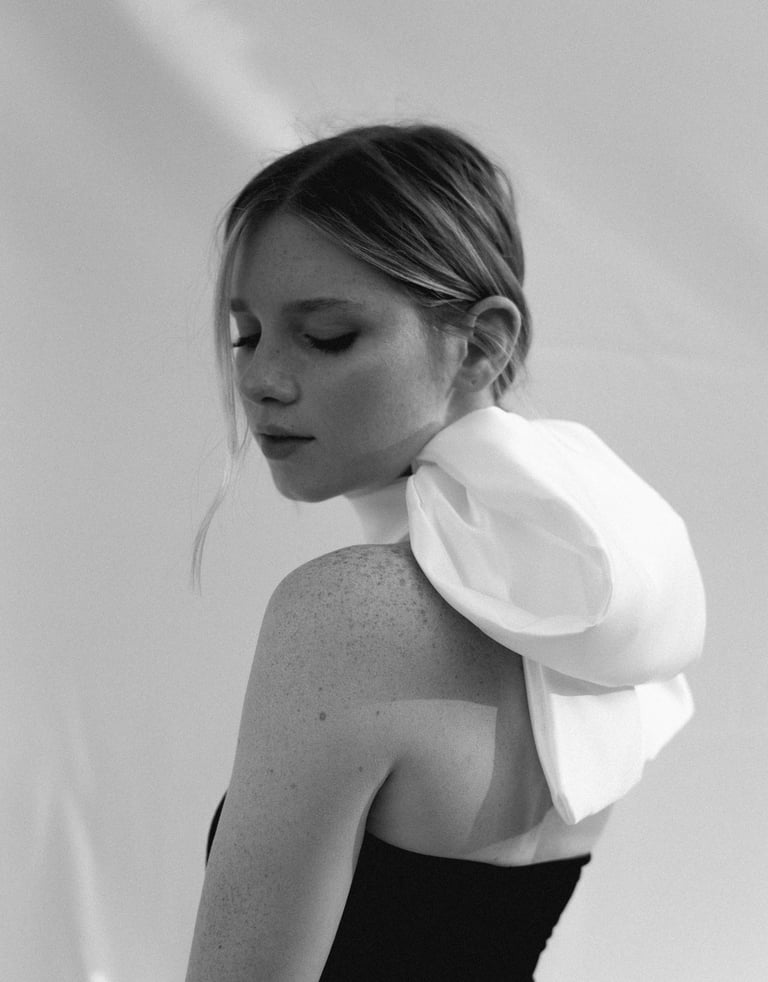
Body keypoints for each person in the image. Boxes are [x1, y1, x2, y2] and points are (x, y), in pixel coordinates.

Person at [185, 123, 706, 982]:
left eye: (326, 335)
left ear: (483, 344)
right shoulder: (591, 606)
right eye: (246, 334)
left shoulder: (349, 612)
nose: (259, 379)